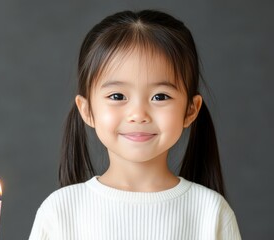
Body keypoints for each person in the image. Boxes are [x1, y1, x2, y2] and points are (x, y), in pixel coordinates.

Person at [29, 9, 241, 239]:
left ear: (190, 110)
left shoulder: (210, 212)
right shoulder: (60, 210)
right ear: (87, 110)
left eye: (160, 97)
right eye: (117, 96)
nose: (138, 114)